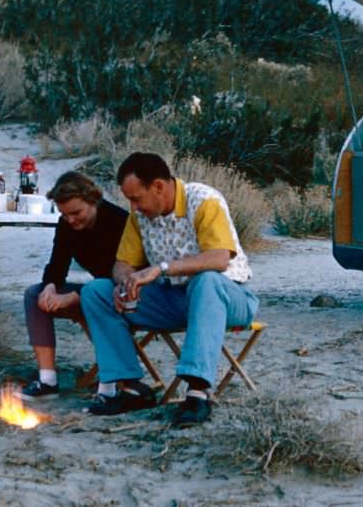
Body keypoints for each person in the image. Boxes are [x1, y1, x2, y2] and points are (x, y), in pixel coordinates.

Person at [80, 152, 257, 426]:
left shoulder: (203, 200)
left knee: (206, 281)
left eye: (136, 198)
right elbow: (121, 264)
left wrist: (160, 268)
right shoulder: (138, 218)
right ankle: (131, 385)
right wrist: (127, 281)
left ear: (159, 187)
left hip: (228, 297)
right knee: (97, 292)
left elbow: (220, 258)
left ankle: (198, 393)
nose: (134, 207)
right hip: (175, 300)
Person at [20, 170, 127, 400]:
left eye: (76, 213)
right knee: (34, 295)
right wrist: (50, 287)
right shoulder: (67, 224)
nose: (71, 220)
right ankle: (47, 380)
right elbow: (57, 265)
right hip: (93, 291)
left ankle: (114, 380)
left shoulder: (119, 221)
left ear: (93, 200)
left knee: (93, 294)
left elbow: (127, 276)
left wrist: (76, 296)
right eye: (65, 214)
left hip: (120, 293)